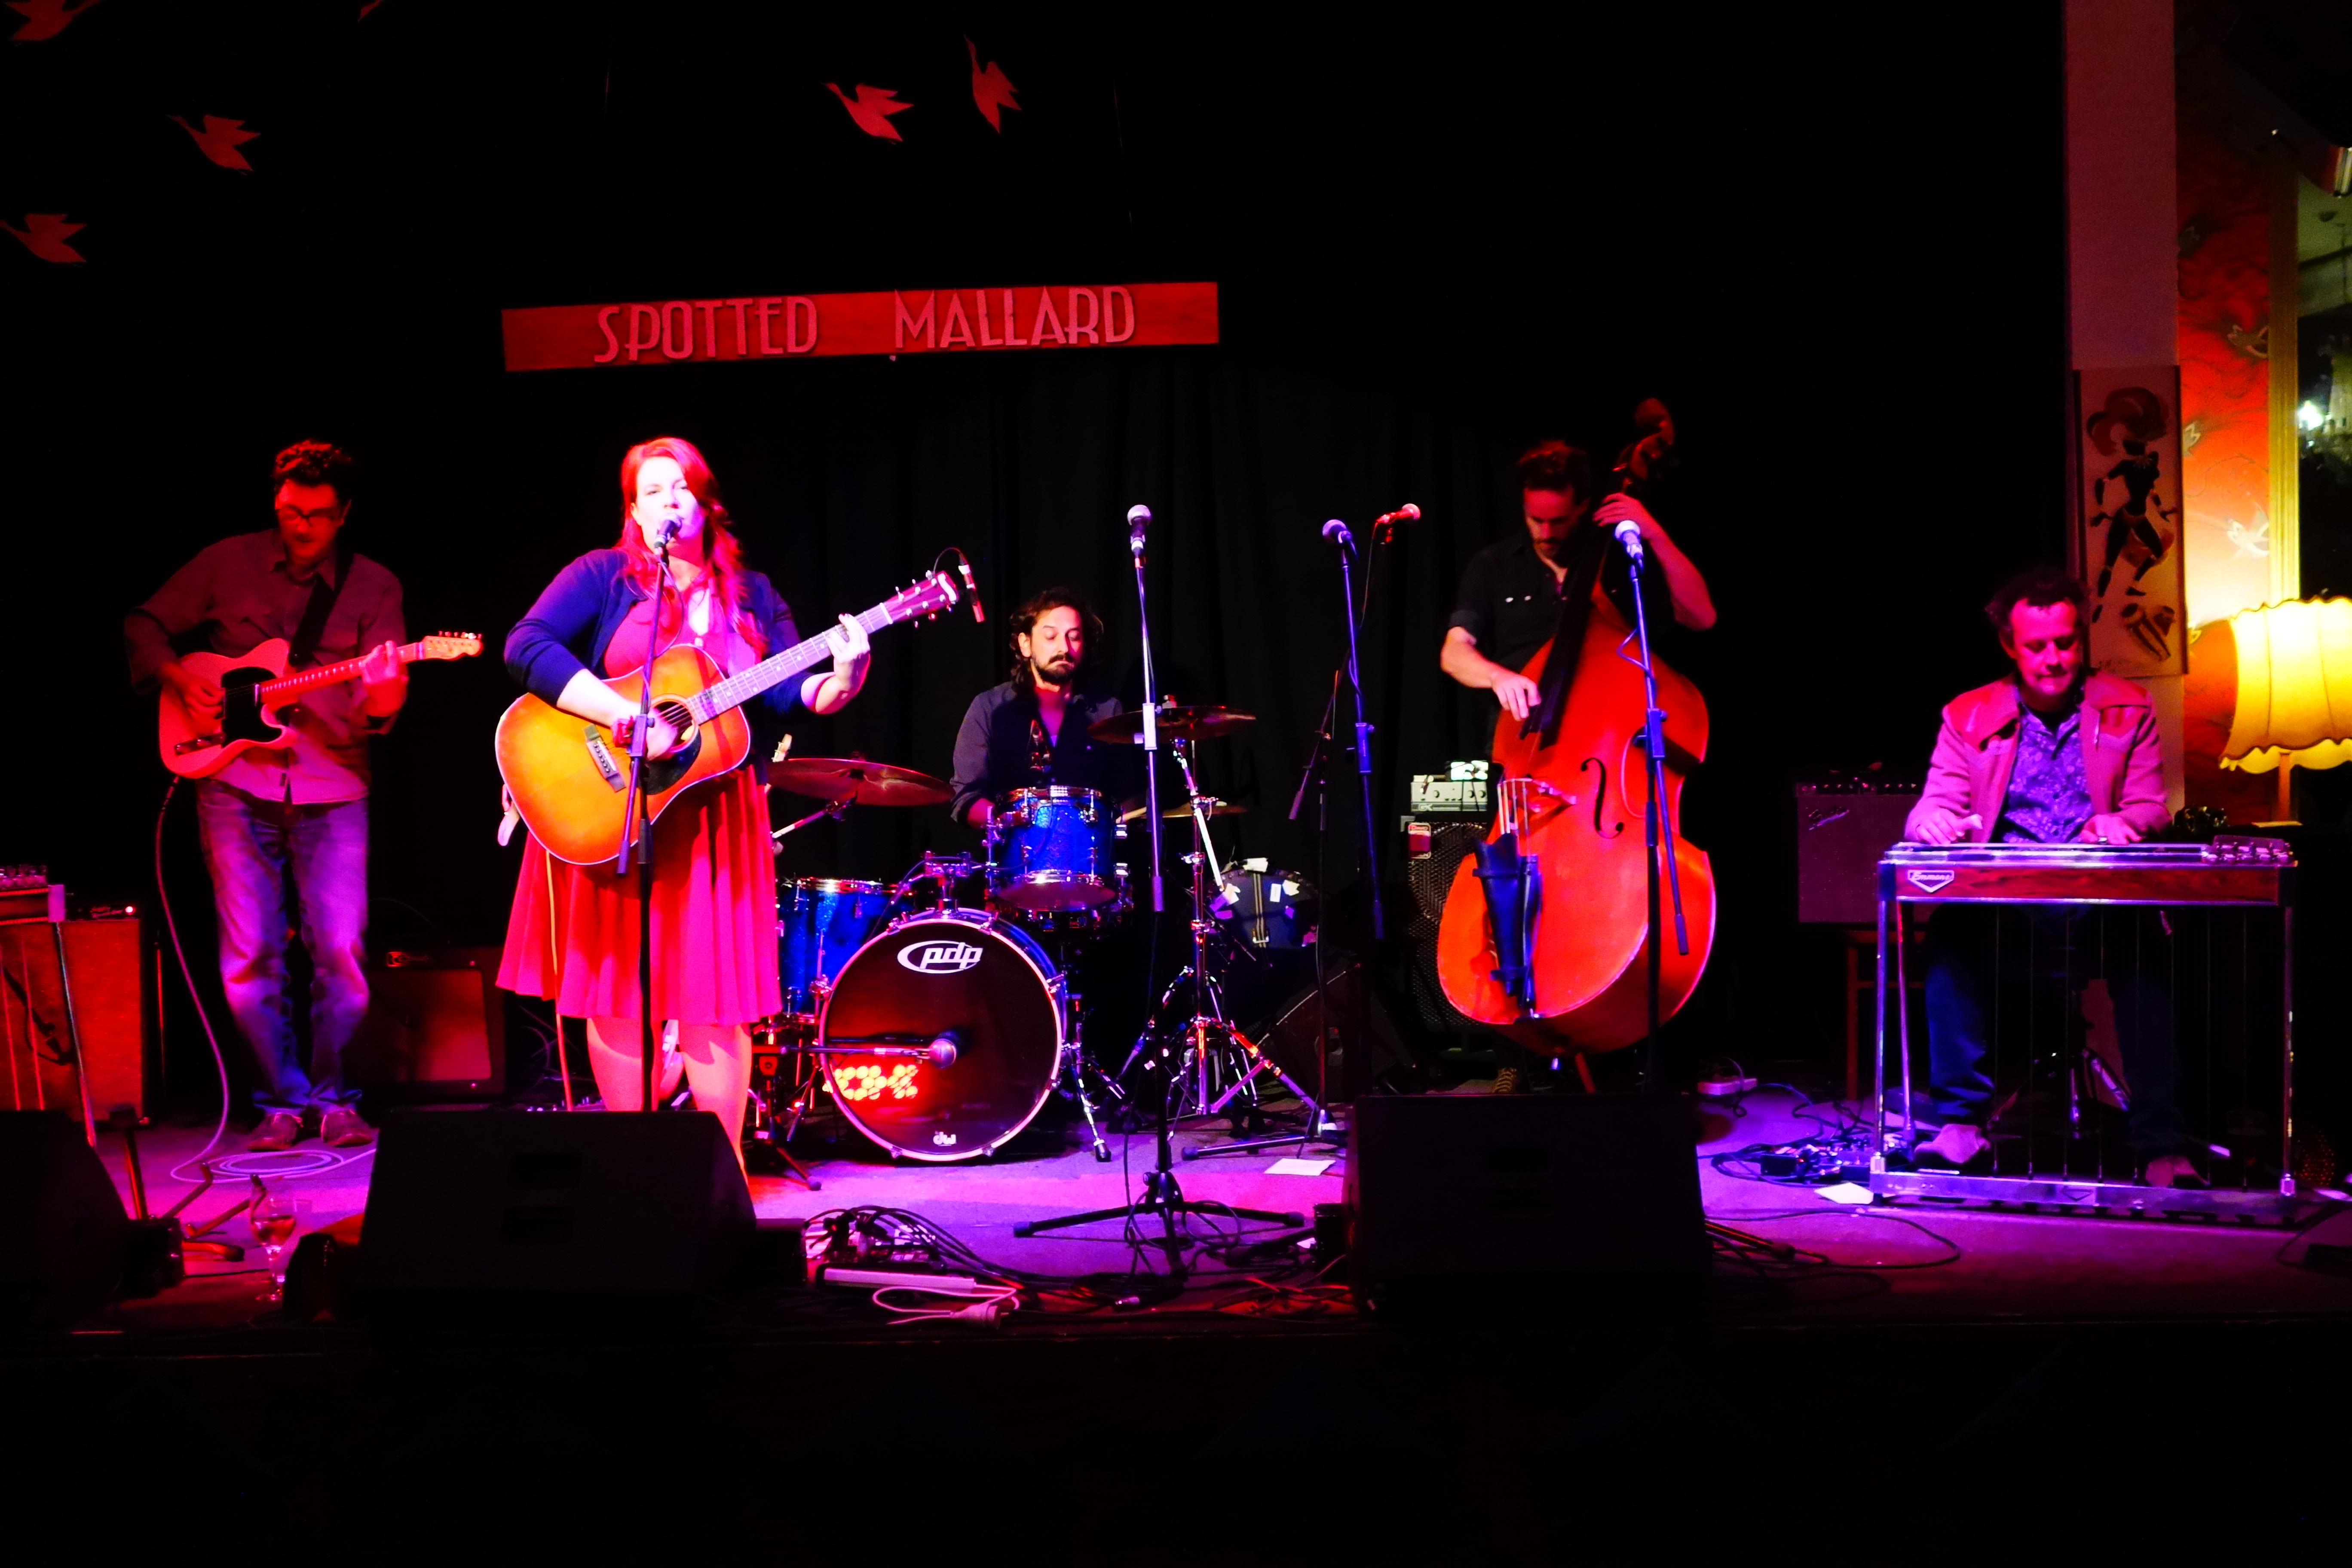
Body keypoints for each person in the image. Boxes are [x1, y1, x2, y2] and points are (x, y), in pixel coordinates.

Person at [496, 436, 870, 1162]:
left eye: (681, 488)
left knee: (714, 1001)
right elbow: (527, 644)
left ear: (706, 502)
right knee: (618, 995)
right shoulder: (603, 576)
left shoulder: (754, 594)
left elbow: (792, 692)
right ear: (634, 512)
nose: (669, 501)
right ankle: (633, 1166)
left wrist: (843, 678)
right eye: (652, 491)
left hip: (716, 817)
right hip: (616, 808)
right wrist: (617, 713)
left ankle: (721, 1176)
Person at [126, 441, 407, 1151]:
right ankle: (281, 1102)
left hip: (333, 784)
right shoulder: (228, 562)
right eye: (289, 512)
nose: (300, 527)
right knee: (249, 955)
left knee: (341, 951)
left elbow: (381, 710)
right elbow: (144, 624)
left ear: (344, 513)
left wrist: (386, 687)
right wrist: (176, 678)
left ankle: (335, 1100)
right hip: (234, 781)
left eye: (316, 515)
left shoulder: (375, 587)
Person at [1902, 566, 2197, 1187]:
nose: (2054, 659)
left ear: (2081, 639)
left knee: (2146, 945)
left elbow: (2152, 806)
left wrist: (2123, 820)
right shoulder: (1967, 714)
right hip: (2009, 908)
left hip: (2099, 903)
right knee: (1951, 935)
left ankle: (2162, 1143)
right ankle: (1960, 1125)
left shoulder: (2128, 706)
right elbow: (1932, 806)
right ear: (2010, 646)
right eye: (2037, 646)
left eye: (2065, 642)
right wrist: (1934, 822)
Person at [1440, 434, 1715, 1092]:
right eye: (1535, 519)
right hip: (1527, 778)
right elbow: (1453, 652)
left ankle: (1644, 1062)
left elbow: (1701, 615)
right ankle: (1528, 1064)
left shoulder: (1623, 560)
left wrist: (1650, 530)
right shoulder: (1495, 566)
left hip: (1608, 786)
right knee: (1508, 923)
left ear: (1585, 507)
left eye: (1560, 521)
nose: (1546, 532)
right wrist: (1497, 676)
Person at [949, 588, 1130, 831]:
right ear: (1026, 644)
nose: (1064, 648)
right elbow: (966, 796)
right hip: (1013, 850)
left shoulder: (1107, 711)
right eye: (1051, 636)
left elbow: (1127, 795)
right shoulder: (990, 708)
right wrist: (1007, 822)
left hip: (1089, 852)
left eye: (1074, 637)